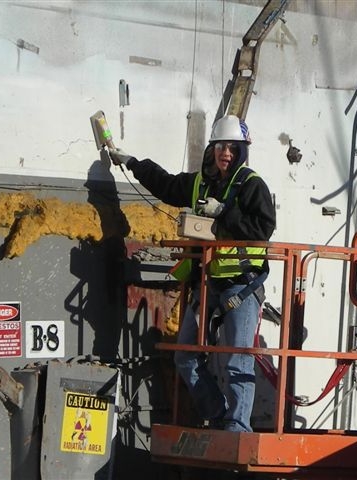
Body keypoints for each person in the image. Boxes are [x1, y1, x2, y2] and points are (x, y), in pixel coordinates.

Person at [109, 115, 276, 432]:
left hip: (241, 285)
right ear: (212, 149)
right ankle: (218, 414)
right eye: (220, 146)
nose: (225, 152)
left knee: (238, 360)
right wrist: (133, 163)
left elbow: (262, 229)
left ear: (242, 151)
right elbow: (167, 185)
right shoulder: (201, 182)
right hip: (208, 283)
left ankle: (237, 427)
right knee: (185, 355)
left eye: (233, 148)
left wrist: (225, 211)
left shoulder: (253, 185)